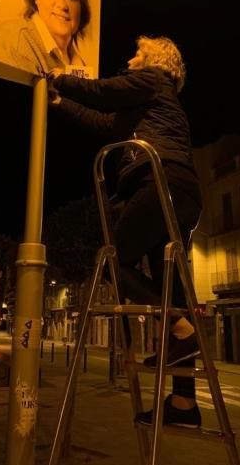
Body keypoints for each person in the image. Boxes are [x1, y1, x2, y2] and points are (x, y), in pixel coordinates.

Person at [49, 35, 203, 428]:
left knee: (114, 261)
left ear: (154, 58)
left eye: (137, 51)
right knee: (170, 283)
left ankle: (178, 326)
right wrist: (60, 103)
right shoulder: (144, 104)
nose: (131, 58)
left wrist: (61, 78)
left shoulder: (153, 79)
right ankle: (185, 405)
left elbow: (103, 91)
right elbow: (104, 123)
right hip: (180, 190)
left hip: (160, 181)